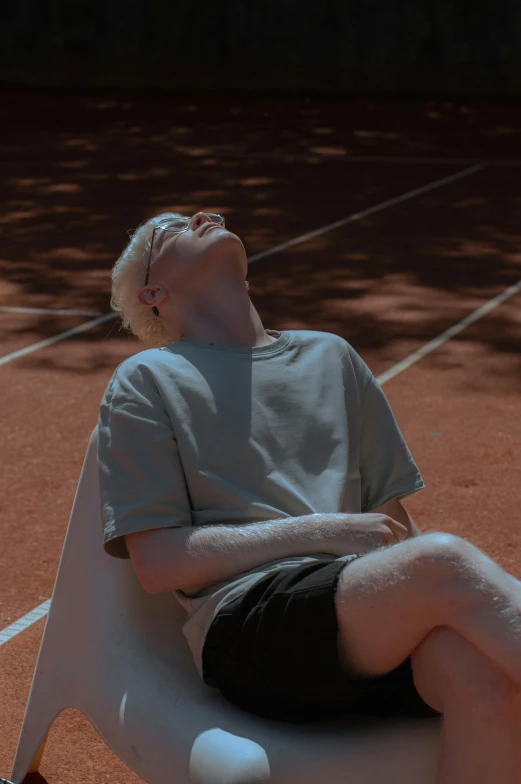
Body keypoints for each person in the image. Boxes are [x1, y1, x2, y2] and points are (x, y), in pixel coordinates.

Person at [98, 211, 521, 783]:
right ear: (154, 292)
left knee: (482, 678)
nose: (205, 216)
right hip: (250, 630)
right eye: (172, 228)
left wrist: (378, 561)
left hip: (364, 619)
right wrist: (323, 530)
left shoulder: (333, 356)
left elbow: (393, 528)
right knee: (441, 561)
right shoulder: (147, 378)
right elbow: (158, 562)